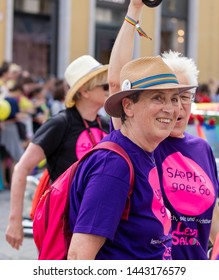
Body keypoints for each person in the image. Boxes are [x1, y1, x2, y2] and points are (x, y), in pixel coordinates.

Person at [108, 0, 219, 260]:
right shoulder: (141, 141)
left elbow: (212, 216)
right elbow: (116, 82)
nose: (176, 107)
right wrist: (134, 10)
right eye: (166, 97)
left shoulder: (201, 148)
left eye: (184, 96)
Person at [67, 55, 196, 260]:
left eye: (174, 98)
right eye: (157, 98)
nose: (171, 109)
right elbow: (78, 257)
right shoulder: (113, 166)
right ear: (128, 106)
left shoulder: (143, 152)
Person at [5, 55, 110, 250]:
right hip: (63, 222)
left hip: (97, 218)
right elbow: (21, 168)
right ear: (85, 90)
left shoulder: (106, 125)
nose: (109, 90)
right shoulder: (61, 123)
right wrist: (14, 221)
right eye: (104, 86)